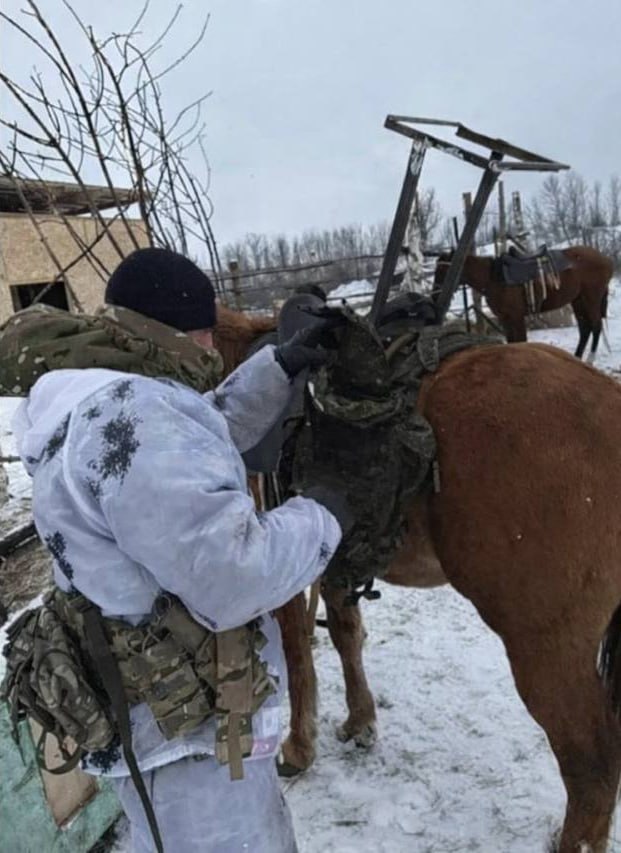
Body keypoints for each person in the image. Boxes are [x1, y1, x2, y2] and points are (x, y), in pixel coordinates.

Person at [11, 247, 351, 853]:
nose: (212, 351)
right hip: (188, 734)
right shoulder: (135, 418)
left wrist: (275, 368)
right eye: (206, 336)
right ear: (182, 331)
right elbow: (233, 576)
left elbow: (193, 438)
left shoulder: (97, 395)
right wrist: (324, 515)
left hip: (148, 718)